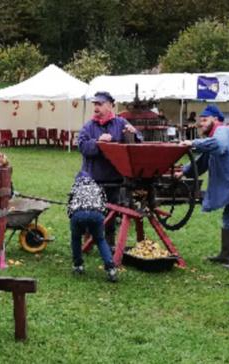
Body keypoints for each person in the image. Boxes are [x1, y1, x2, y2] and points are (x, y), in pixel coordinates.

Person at [179, 104, 229, 271]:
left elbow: (218, 145)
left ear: (216, 120)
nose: (200, 123)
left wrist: (193, 142)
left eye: (204, 120)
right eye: (200, 120)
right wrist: (182, 171)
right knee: (228, 219)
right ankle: (225, 255)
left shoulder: (222, 131)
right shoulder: (214, 135)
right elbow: (203, 161)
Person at [77, 91, 141, 245]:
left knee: (112, 215)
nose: (96, 107)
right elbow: (82, 147)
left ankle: (110, 242)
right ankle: (88, 241)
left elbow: (137, 143)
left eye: (100, 104)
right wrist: (98, 142)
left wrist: (134, 135)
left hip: (115, 178)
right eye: (95, 104)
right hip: (93, 177)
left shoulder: (121, 123)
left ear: (110, 105)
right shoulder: (88, 127)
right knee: (90, 212)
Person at [67, 172, 118, 282]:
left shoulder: (75, 187)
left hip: (78, 214)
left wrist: (73, 218)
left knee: (76, 239)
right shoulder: (98, 187)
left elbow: (69, 206)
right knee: (100, 239)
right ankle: (111, 268)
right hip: (96, 214)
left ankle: (78, 265)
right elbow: (104, 205)